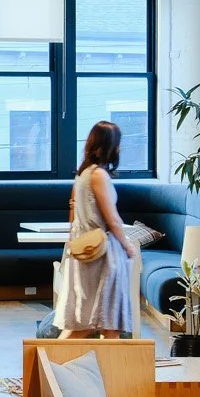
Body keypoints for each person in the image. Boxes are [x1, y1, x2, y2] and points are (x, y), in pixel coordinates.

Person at [59, 120, 139, 339]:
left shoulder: (82, 175)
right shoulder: (98, 175)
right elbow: (112, 219)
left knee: (87, 321)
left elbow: (73, 212)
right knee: (104, 321)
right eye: (118, 144)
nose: (120, 148)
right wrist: (128, 245)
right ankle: (45, 363)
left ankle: (45, 364)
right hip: (103, 254)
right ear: (110, 146)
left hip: (86, 250)